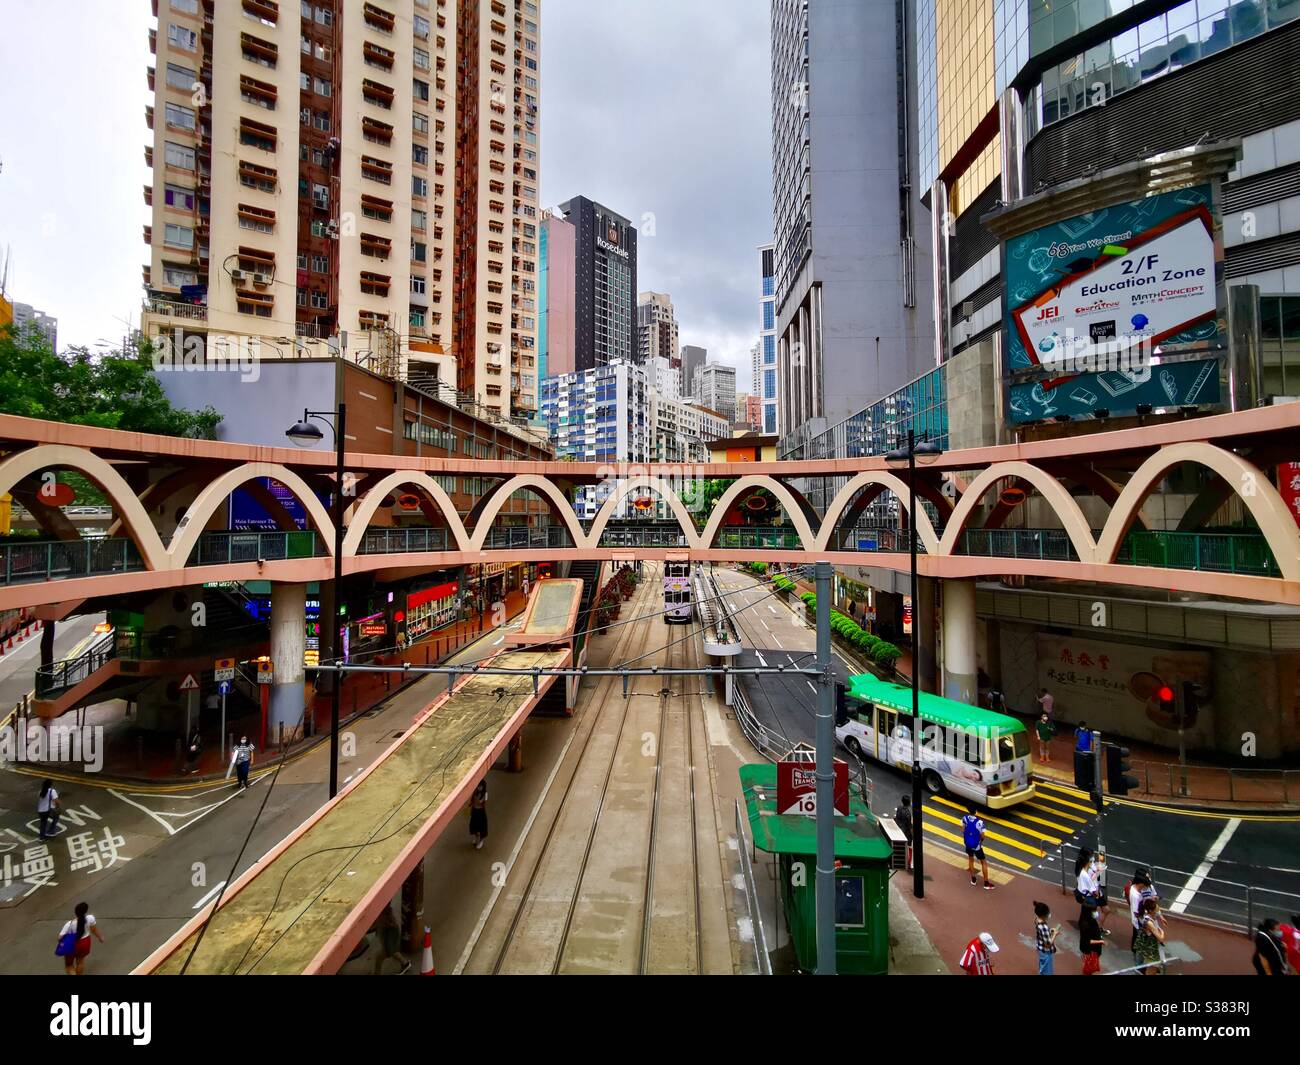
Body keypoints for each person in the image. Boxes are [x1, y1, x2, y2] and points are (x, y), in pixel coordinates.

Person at [56, 902, 104, 975]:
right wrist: (100, 937)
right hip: (85, 943)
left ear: (75, 912)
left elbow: (60, 937)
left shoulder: (69, 924)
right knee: (80, 962)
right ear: (85, 911)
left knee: (69, 965)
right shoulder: (90, 918)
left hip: (72, 944)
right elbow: (94, 930)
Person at [1126, 867, 1158, 956]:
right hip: (1140, 922)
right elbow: (1137, 913)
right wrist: (1146, 922)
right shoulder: (1135, 895)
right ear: (1140, 883)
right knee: (1139, 938)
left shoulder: (1136, 889)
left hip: (1140, 920)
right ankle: (1137, 954)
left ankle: (1135, 950)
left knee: (1136, 936)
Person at [1076, 849, 1110, 931]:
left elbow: (1094, 872)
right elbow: (1089, 883)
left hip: (1095, 891)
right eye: (1091, 857)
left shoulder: (1090, 866)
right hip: (1091, 895)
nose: (1093, 860)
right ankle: (1093, 930)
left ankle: (1097, 928)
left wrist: (1098, 870)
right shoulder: (1083, 872)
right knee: (1091, 915)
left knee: (1104, 911)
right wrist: (1097, 873)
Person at [960, 806, 993, 890]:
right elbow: (983, 836)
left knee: (971, 860)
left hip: (968, 844)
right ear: (976, 812)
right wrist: (980, 842)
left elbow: (963, 830)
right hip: (977, 846)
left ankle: (973, 879)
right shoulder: (980, 822)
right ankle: (986, 883)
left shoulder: (965, 818)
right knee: (983, 862)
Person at [1133, 896, 1166, 974]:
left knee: (1153, 969)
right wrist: (1162, 933)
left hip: (1152, 947)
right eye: (1155, 910)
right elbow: (1161, 939)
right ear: (1151, 910)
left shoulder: (1148, 916)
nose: (1157, 911)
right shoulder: (1149, 923)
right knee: (1152, 970)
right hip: (1152, 949)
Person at [1033, 901, 1059, 975]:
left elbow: (1043, 933)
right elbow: (1048, 944)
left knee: (1042, 966)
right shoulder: (1043, 926)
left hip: (1040, 949)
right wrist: (1054, 934)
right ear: (1044, 915)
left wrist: (1050, 931)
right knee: (1047, 971)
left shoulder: (1037, 920)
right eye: (1048, 913)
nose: (1049, 915)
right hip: (1046, 951)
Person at [1079, 901, 1104, 974]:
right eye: (1094, 911)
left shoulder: (1090, 920)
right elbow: (1088, 941)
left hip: (1092, 950)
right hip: (1089, 951)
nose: (1096, 912)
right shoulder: (1085, 925)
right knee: (1088, 969)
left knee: (1090, 969)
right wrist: (1101, 941)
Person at [893, 795, 913, 870]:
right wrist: (911, 833)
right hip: (905, 831)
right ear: (909, 803)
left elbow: (897, 818)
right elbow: (908, 824)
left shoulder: (899, 808)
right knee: (909, 847)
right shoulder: (908, 813)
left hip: (898, 828)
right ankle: (908, 864)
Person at [469, 779, 488, 850]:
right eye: (478, 786)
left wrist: (479, 802)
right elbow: (472, 800)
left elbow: (484, 805)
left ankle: (481, 841)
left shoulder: (485, 794)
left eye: (480, 786)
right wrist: (471, 805)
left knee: (481, 827)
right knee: (473, 825)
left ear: (483, 787)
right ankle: (476, 837)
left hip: (481, 812)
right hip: (474, 810)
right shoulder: (475, 792)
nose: (478, 788)